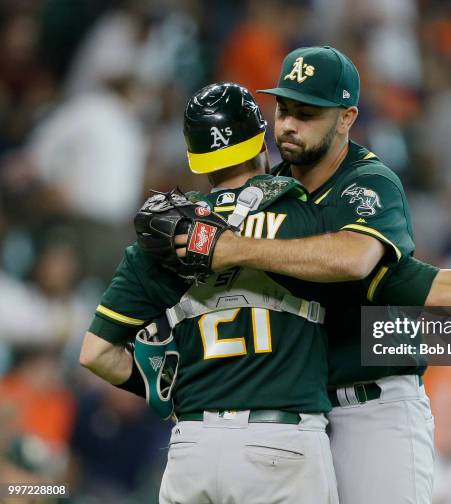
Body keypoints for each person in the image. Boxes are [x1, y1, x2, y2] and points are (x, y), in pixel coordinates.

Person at [184, 46, 451, 504]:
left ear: (346, 118)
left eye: (307, 113)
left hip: (374, 406)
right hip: (294, 417)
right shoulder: (269, 189)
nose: (287, 124)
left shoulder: (369, 183)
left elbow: (371, 265)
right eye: (283, 108)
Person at [79, 82, 340, 504]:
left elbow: (95, 352)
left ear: (196, 158)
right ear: (262, 139)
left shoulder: (161, 239)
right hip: (281, 445)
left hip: (192, 448)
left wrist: (164, 385)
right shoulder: (306, 214)